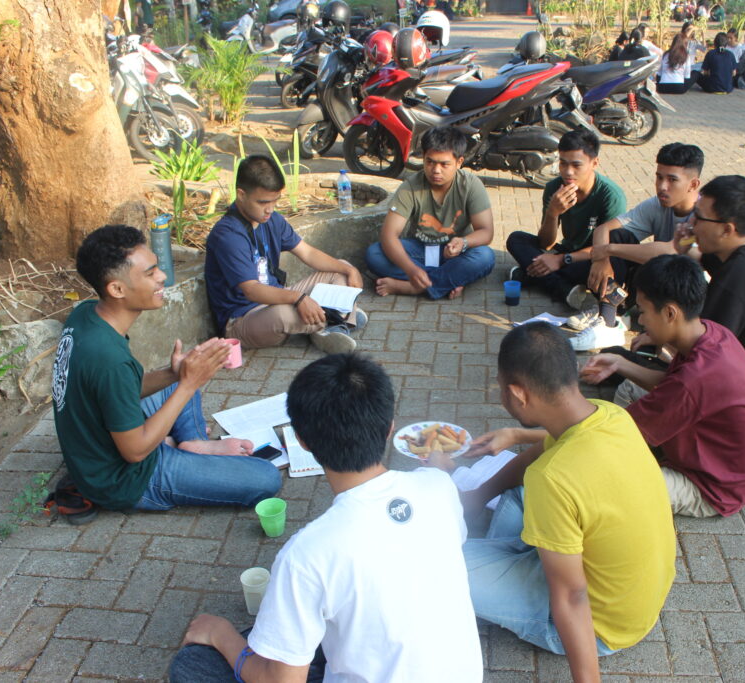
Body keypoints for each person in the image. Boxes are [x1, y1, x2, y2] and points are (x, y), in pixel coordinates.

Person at [170, 354, 482, 683]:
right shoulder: (440, 487)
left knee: (193, 664)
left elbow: (282, 681)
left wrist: (221, 634)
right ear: (390, 428)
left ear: (301, 440)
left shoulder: (306, 554)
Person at [452, 323, 675, 679]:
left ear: (518, 394)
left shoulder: (552, 479)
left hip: (599, 628)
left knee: (432, 564)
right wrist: (478, 497)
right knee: (520, 490)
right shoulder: (608, 414)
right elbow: (540, 451)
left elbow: (572, 597)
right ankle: (513, 557)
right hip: (632, 601)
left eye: (500, 386)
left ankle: (508, 562)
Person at [51, 225, 282, 515]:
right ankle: (177, 448)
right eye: (150, 273)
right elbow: (135, 451)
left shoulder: (86, 314)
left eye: (157, 268)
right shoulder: (109, 359)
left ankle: (194, 444)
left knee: (181, 376)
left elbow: (120, 387)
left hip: (100, 443)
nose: (162, 276)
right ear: (117, 289)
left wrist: (176, 374)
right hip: (126, 479)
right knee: (266, 478)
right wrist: (189, 384)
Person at [581, 255, 745, 517]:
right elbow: (671, 384)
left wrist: (541, 433)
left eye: (643, 312)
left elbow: (617, 430)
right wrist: (619, 364)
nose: (641, 321)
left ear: (670, 313)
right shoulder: (710, 332)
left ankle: (636, 460)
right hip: (723, 460)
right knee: (627, 389)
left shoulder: (695, 379)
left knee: (601, 479)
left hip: (711, 487)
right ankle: (639, 453)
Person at [607, 175, 745, 417]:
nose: (691, 223)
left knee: (625, 383)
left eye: (699, 217)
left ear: (726, 229)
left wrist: (658, 337)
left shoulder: (738, 279)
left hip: (733, 404)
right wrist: (682, 247)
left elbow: (699, 353)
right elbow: (700, 257)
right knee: (622, 358)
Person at [205, 155, 367, 354]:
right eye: (263, 202)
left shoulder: (272, 219)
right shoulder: (228, 234)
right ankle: (339, 317)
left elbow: (308, 253)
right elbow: (252, 290)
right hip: (243, 318)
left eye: (275, 201)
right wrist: (298, 299)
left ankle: (328, 324)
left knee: (341, 269)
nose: (270, 209)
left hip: (277, 297)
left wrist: (350, 270)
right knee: (284, 314)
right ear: (241, 194)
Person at [570, 143, 704, 348]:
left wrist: (607, 250)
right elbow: (603, 229)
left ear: (693, 184)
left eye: (672, 180)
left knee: (614, 248)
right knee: (618, 236)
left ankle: (616, 317)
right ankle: (608, 320)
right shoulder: (657, 203)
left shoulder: (703, 216)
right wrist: (601, 260)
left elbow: (671, 250)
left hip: (687, 294)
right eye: (659, 177)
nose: (662, 186)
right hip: (658, 283)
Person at [366, 126, 495, 300]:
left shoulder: (471, 185)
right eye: (430, 162)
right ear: (423, 157)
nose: (436, 170)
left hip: (456, 253)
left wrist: (463, 242)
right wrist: (412, 270)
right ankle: (449, 280)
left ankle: (413, 288)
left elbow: (486, 232)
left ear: (459, 162)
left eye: (444, 164)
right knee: (374, 253)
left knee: (485, 256)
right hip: (421, 251)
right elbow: (389, 235)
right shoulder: (410, 186)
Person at [505, 129, 626, 309]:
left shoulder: (610, 196)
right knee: (516, 239)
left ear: (594, 163)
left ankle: (531, 276)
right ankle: (563, 289)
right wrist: (552, 213)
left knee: (602, 269)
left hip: (592, 258)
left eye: (576, 165)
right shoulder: (554, 187)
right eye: (563, 163)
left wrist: (561, 260)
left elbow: (609, 248)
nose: (568, 172)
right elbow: (545, 244)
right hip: (566, 251)